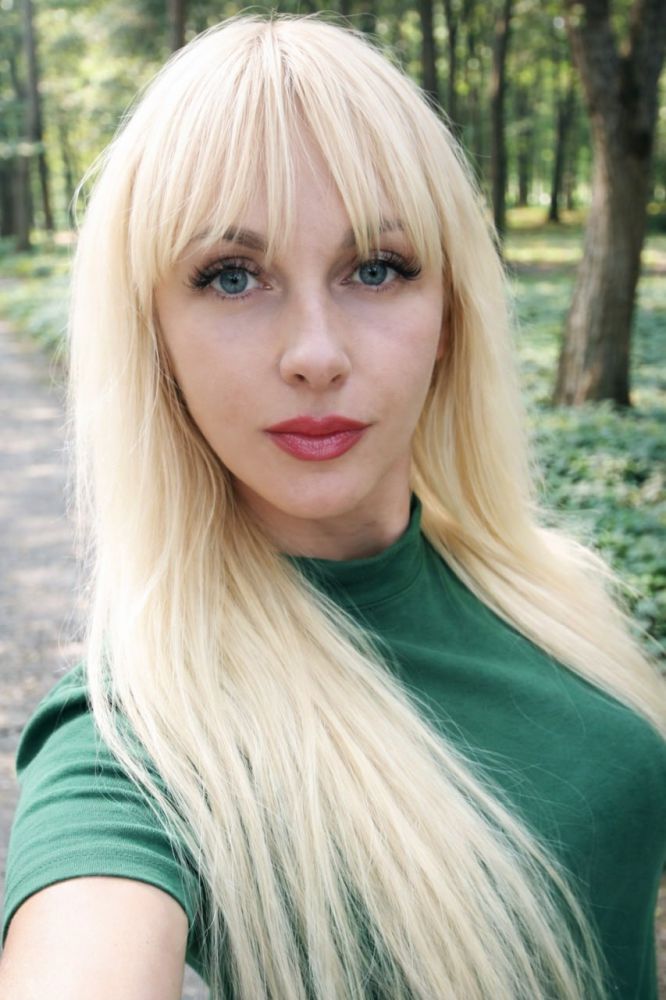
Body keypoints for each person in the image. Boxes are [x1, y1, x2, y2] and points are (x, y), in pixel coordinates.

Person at [0, 14, 664, 1000]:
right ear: (155, 338)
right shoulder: (135, 742)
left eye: (377, 268)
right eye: (232, 276)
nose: (316, 352)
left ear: (450, 314)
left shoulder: (549, 588)